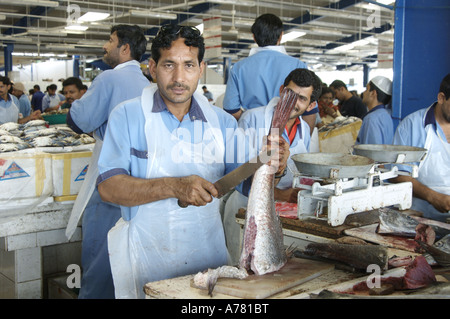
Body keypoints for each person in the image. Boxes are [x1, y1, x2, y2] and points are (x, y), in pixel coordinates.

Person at [95, 24, 289, 299]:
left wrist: (273, 167)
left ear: (201, 68)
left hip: (206, 257)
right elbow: (109, 187)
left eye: (188, 65)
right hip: (147, 257)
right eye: (168, 65)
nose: (178, 77)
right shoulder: (127, 116)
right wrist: (174, 187)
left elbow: (247, 187)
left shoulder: (222, 122)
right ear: (152, 68)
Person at [65, 24, 150, 299]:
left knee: (99, 259)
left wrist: (95, 126)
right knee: (129, 262)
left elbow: (76, 121)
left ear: (124, 48)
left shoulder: (108, 79)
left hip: (109, 183)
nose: (105, 46)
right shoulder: (148, 85)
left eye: (110, 40)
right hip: (141, 185)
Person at [223, 68, 322, 265]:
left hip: (284, 213)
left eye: (302, 99)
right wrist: (277, 188)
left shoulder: (306, 132)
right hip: (245, 208)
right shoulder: (253, 119)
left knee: (272, 269)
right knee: (241, 265)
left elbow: (306, 174)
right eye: (290, 94)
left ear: (311, 104)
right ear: (281, 89)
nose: (294, 102)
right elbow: (235, 173)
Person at [222, 13, 317, 131]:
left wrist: (253, 120)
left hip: (252, 131)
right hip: (287, 131)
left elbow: (231, 109)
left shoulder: (238, 68)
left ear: (254, 37)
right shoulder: (298, 65)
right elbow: (310, 110)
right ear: (281, 36)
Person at [390, 73, 450, 222]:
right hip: (420, 219)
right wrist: (433, 197)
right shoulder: (412, 126)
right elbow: (397, 174)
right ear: (441, 98)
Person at [356, 76, 394, 145]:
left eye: (366, 89)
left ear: (373, 93)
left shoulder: (371, 119)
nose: (363, 93)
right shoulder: (386, 114)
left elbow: (370, 152)